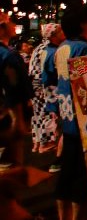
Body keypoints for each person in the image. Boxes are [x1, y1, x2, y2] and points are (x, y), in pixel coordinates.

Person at [53, 3, 87, 220]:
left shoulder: (63, 46)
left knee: (66, 177)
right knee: (82, 180)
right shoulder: (83, 49)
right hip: (83, 123)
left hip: (68, 119)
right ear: (84, 23)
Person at [0, 12, 32, 167]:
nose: (14, 25)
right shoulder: (8, 56)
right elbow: (13, 89)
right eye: (10, 22)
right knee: (12, 167)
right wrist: (18, 118)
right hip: (6, 118)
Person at [29, 23, 64, 154]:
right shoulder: (50, 49)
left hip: (35, 83)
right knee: (47, 113)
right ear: (54, 35)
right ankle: (46, 143)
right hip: (44, 83)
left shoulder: (39, 47)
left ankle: (37, 143)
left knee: (38, 114)